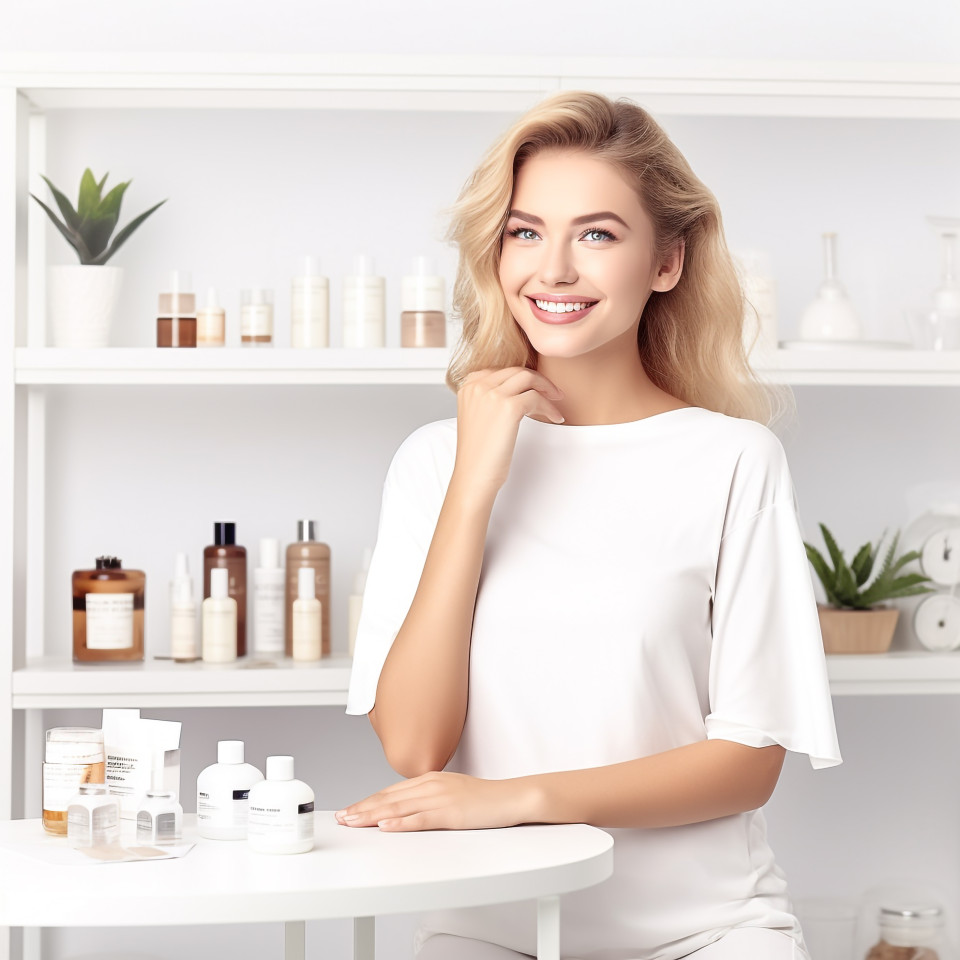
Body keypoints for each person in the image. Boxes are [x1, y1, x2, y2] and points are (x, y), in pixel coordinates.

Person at [340, 90, 842, 960]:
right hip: (486, 924)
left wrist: (512, 798)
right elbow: (416, 744)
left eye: (598, 234)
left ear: (667, 262)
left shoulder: (732, 459)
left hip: (706, 932)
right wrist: (475, 486)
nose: (554, 270)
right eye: (525, 233)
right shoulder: (435, 460)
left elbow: (748, 763)